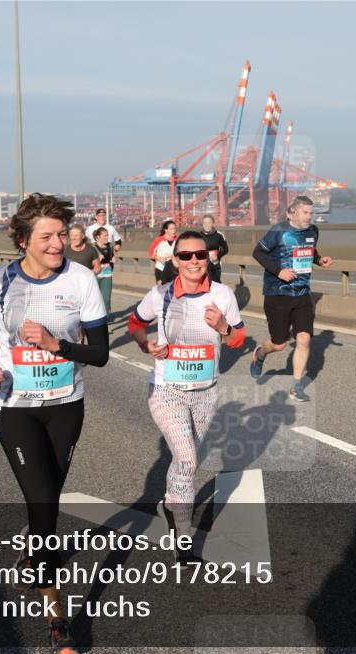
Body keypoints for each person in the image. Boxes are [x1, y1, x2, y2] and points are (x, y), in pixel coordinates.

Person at [0, 193, 109, 654]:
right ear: (22, 240)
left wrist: (55, 344)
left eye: (62, 234)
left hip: (66, 406)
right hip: (14, 404)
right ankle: (58, 623)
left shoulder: (81, 279)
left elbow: (100, 353)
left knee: (48, 501)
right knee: (42, 502)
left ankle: (31, 555)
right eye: (46, 236)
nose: (58, 243)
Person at [128, 230, 246, 564]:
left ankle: (170, 504)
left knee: (184, 462)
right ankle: (184, 542)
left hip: (206, 392)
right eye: (185, 255)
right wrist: (145, 344)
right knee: (188, 460)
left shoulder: (223, 295)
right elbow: (135, 324)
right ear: (175, 260)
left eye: (199, 254)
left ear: (209, 256)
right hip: (167, 391)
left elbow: (239, 339)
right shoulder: (160, 295)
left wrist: (224, 327)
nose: (193, 260)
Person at [248, 195, 333, 401]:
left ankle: (296, 387)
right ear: (293, 212)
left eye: (311, 213)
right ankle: (261, 353)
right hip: (277, 293)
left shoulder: (313, 231)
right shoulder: (278, 231)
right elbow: (258, 253)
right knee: (280, 344)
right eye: (305, 212)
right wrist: (279, 271)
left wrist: (319, 260)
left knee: (304, 339)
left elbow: (308, 251)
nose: (309, 217)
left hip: (302, 293)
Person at [201, 214, 229, 283]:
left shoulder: (219, 235)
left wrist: (217, 256)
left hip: (215, 263)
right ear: (202, 224)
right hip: (203, 263)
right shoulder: (199, 235)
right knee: (204, 283)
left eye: (209, 223)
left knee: (215, 282)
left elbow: (225, 249)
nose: (207, 225)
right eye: (205, 223)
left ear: (213, 223)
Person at [93, 227, 115, 315]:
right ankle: (94, 317)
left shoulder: (109, 246)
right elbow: (87, 261)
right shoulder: (93, 248)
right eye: (105, 236)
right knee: (94, 299)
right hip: (95, 276)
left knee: (106, 299)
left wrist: (113, 258)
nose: (107, 237)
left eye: (107, 235)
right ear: (98, 237)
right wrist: (97, 259)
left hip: (107, 275)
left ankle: (105, 320)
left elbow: (111, 256)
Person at [152, 220, 178, 285]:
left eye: (174, 228)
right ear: (166, 230)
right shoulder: (159, 240)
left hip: (173, 269)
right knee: (161, 290)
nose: (174, 231)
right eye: (171, 229)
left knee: (173, 290)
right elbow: (150, 252)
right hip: (161, 268)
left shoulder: (178, 240)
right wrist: (158, 258)